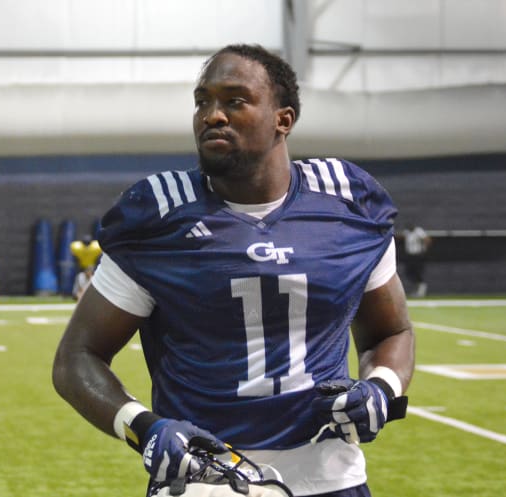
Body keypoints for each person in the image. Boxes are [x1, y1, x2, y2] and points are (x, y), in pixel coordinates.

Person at [53, 44, 415, 497]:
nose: (212, 115)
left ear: (283, 119)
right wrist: (142, 428)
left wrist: (380, 387)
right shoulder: (159, 217)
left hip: (331, 474)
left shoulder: (350, 204)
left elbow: (391, 332)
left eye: (234, 100)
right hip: (204, 479)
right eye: (202, 101)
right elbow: (77, 357)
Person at [399, 225, 432, 297]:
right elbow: (402, 237)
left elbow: (427, 239)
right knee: (409, 272)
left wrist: (424, 250)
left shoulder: (418, 231)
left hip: (417, 255)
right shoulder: (407, 232)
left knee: (417, 272)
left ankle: (421, 289)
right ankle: (418, 288)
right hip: (409, 256)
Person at [69, 235, 102, 300]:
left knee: (92, 281)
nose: (86, 246)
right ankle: (77, 294)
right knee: (80, 280)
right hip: (83, 266)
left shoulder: (96, 247)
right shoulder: (77, 247)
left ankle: (91, 295)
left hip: (91, 266)